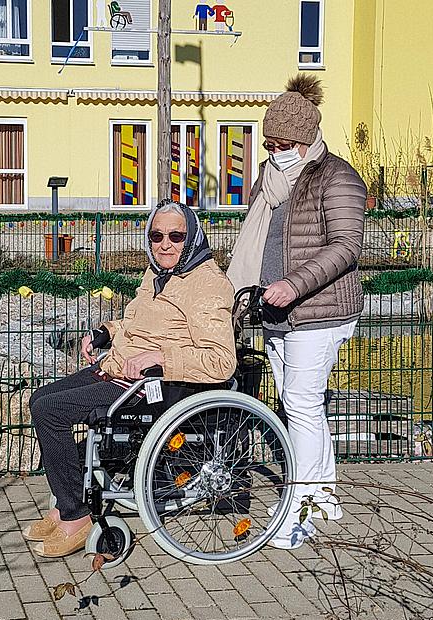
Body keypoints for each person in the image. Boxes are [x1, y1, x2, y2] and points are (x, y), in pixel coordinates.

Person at [25, 200, 236, 558]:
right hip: (120, 369)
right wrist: (105, 332)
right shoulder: (156, 274)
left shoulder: (207, 284)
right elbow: (139, 325)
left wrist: (160, 357)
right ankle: (64, 505)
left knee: (51, 411)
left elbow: (221, 361)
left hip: (156, 387)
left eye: (176, 236)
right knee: (39, 399)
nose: (164, 244)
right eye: (156, 236)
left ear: (192, 238)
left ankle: (76, 517)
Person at [227, 74, 366, 550]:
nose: (274, 151)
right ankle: (323, 495)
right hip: (276, 311)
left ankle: (299, 509)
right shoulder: (268, 179)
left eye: (283, 144)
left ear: (305, 140)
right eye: (269, 143)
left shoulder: (337, 177)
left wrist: (293, 284)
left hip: (319, 311)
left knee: (301, 404)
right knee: (299, 405)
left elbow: (346, 246)